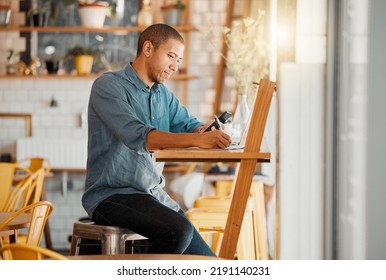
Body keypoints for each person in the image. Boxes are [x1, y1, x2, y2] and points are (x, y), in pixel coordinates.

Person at [82, 23, 231, 256]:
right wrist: (198, 141)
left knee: (209, 262)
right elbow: (138, 136)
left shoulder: (163, 95)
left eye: (179, 60)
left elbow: (188, 124)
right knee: (178, 232)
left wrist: (202, 131)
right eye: (171, 56)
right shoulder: (108, 86)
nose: (175, 66)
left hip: (153, 194)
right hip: (111, 196)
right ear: (148, 48)